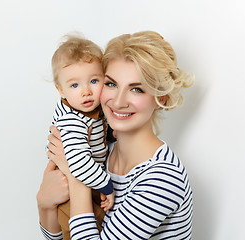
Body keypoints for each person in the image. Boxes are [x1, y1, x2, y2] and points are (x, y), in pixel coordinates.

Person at [38, 30, 194, 239]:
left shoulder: (162, 177)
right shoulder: (101, 151)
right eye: (111, 84)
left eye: (137, 89)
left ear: (161, 98)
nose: (119, 101)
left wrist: (76, 179)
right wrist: (45, 204)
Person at [47, 35, 115, 239]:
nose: (86, 91)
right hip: (71, 187)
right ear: (61, 90)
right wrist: (106, 185)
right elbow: (78, 164)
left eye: (94, 81)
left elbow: (101, 127)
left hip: (87, 179)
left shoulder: (88, 109)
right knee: (82, 226)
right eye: (75, 85)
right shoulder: (72, 122)